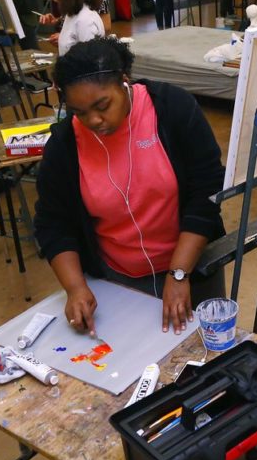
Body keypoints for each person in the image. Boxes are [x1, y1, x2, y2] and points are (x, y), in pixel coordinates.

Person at [33, 37, 226, 335]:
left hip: (192, 269)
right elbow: (52, 222)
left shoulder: (172, 109)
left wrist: (178, 274)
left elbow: (207, 192)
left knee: (203, 356)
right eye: (79, 112)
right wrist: (75, 288)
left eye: (102, 105)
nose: (94, 120)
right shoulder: (64, 145)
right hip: (116, 282)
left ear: (124, 81)